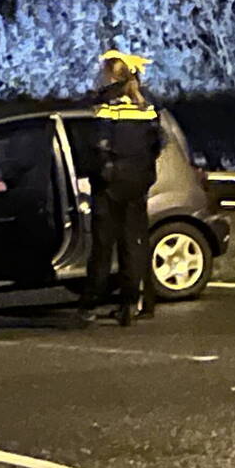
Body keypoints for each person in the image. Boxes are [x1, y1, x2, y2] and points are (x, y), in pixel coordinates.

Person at [78, 51, 164, 327]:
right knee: (134, 244)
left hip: (110, 184)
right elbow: (157, 144)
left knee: (103, 246)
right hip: (138, 183)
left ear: (112, 75)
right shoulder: (146, 107)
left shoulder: (106, 105)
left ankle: (90, 302)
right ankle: (131, 303)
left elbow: (97, 146)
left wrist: (97, 173)